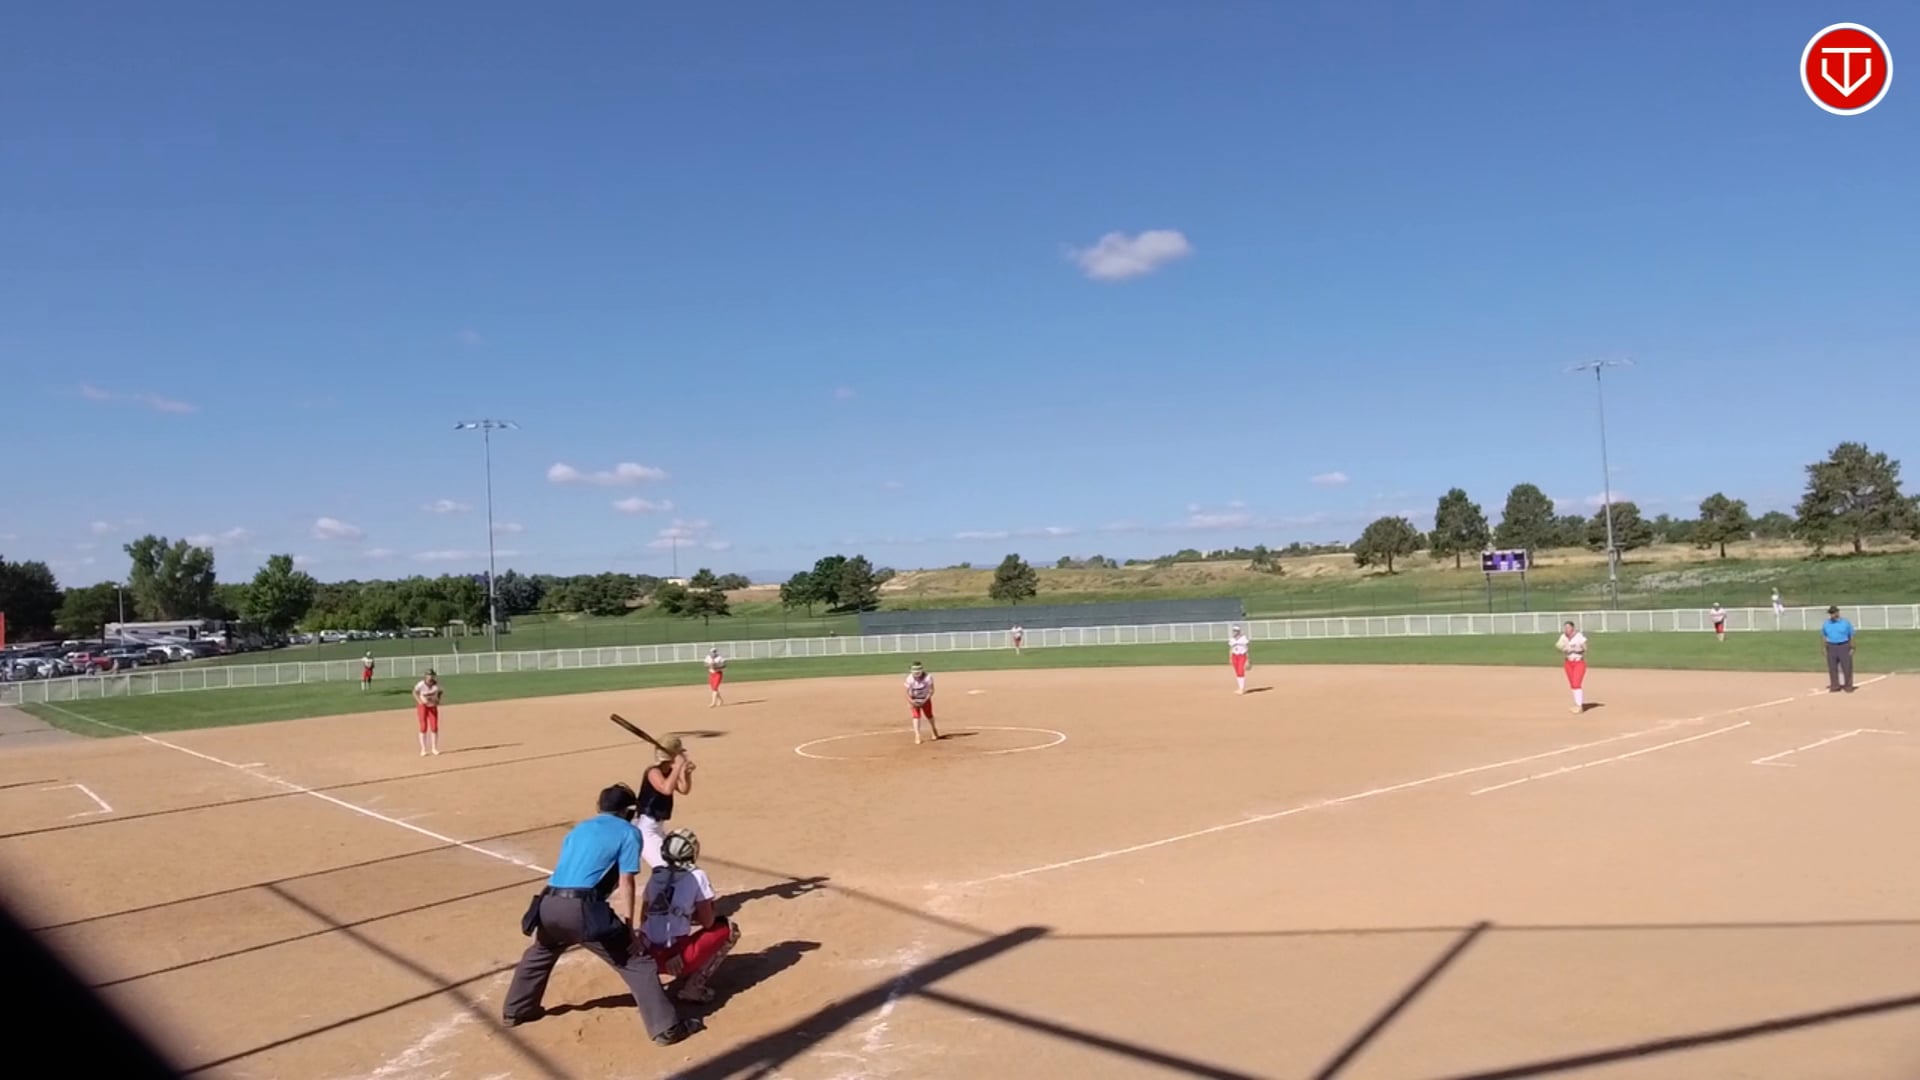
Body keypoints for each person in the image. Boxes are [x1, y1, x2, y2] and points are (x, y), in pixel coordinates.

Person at [501, 784, 704, 1045]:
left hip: (548, 903)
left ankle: (516, 1009)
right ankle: (667, 1028)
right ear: (628, 812)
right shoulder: (629, 832)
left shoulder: (579, 829)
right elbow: (626, 880)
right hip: (582, 908)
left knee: (541, 951)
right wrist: (629, 929)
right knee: (636, 961)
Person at [640, 828, 741, 1004]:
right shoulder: (697, 876)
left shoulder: (656, 875)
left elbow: (644, 917)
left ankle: (649, 985)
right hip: (676, 959)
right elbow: (708, 922)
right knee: (729, 929)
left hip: (646, 956)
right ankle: (694, 987)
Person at [637, 737, 694, 868]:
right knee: (664, 866)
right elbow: (666, 789)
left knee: (673, 862)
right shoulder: (653, 772)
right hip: (646, 827)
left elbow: (683, 789)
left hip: (658, 826)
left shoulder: (669, 771)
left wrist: (686, 773)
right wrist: (678, 766)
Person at [1821, 605, 1856, 693]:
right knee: (1832, 667)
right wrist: (1824, 647)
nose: (1831, 615)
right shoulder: (1826, 624)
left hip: (1844, 645)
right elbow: (1824, 636)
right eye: (1830, 613)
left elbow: (1851, 635)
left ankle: (1848, 686)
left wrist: (1852, 647)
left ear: (1837, 613)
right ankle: (1835, 686)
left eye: (1833, 613)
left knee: (1847, 667)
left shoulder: (1845, 623)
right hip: (1831, 646)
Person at [905, 661, 941, 745]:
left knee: (929, 715)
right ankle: (917, 735)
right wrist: (911, 701)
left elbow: (931, 690)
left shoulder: (928, 677)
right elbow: (906, 692)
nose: (916, 675)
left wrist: (925, 700)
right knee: (916, 716)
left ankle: (933, 729)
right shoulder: (909, 679)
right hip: (914, 699)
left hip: (925, 698)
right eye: (915, 673)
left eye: (918, 673)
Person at [1556, 621, 1588, 714]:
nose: (1566, 629)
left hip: (1578, 662)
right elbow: (1558, 646)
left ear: (1573, 628)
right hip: (1568, 663)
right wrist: (1564, 649)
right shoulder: (1563, 637)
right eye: (1565, 627)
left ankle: (1579, 707)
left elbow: (1585, 648)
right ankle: (1577, 704)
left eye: (1568, 627)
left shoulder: (1579, 636)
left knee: (1576, 683)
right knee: (1572, 684)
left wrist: (1575, 650)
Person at [412, 669, 443, 756]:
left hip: (432, 706)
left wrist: (438, 700)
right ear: (425, 676)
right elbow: (414, 692)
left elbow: (440, 692)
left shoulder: (436, 685)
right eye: (429, 675)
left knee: (434, 727)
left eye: (432, 675)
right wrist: (419, 701)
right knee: (423, 727)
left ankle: (434, 748)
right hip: (423, 707)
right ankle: (423, 749)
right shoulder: (421, 684)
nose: (430, 677)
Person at [1228, 625, 1251, 694]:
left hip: (1242, 656)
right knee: (1237, 672)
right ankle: (1240, 688)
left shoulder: (1243, 638)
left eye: (1236, 631)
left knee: (1241, 671)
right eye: (1234, 631)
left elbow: (1247, 649)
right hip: (1234, 656)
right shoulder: (1232, 639)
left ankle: (1242, 689)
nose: (1234, 632)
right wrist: (1230, 658)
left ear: (1239, 631)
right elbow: (1231, 649)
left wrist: (1248, 659)